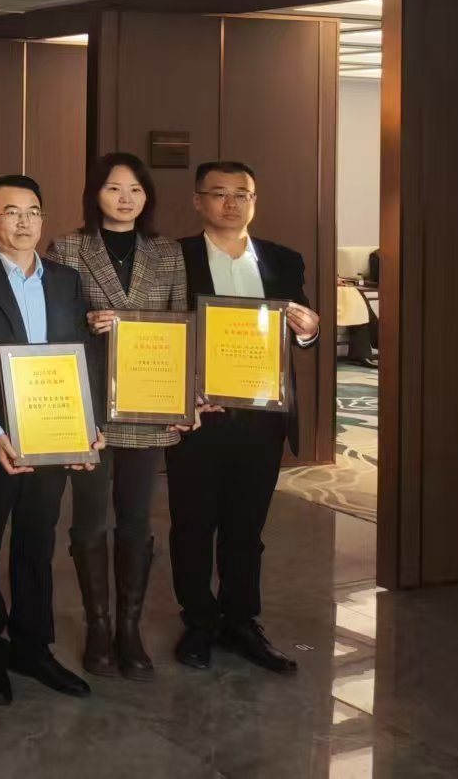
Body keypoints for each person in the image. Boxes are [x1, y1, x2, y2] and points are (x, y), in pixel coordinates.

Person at [169, 160, 321, 675]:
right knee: (192, 524)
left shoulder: (284, 259)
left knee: (247, 526)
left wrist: (309, 330)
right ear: (198, 201)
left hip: (263, 416)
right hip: (199, 416)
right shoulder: (175, 257)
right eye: (219, 193)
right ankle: (199, 620)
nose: (231, 203)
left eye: (243, 194)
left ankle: (241, 620)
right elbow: (163, 330)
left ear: (254, 201)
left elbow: (300, 327)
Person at [0, 174, 103, 706]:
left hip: (51, 434)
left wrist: (86, 426)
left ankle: (33, 646)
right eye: (12, 212)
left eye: (33, 212)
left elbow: (80, 355)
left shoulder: (65, 280)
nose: (25, 222)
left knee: (37, 541)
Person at [45, 153, 189, 681]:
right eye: (113, 188)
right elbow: (52, 325)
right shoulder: (68, 247)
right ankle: (99, 627)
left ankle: (130, 628)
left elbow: (180, 327)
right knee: (89, 519)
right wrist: (87, 322)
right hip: (88, 405)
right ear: (95, 194)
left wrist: (181, 400)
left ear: (146, 196)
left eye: (135, 189)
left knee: (136, 519)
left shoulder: (167, 252)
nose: (125, 198)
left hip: (147, 404)